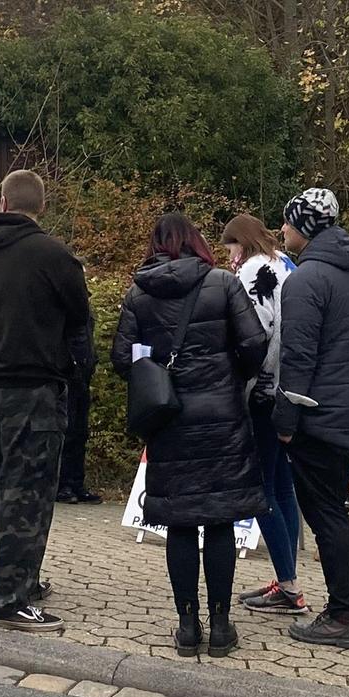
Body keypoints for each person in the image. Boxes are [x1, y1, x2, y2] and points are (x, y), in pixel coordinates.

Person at [113, 213, 268, 656]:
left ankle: (186, 626)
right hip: (223, 417)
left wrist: (156, 373)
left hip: (170, 420)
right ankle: (221, 626)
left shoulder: (139, 293)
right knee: (219, 518)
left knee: (180, 523)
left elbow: (122, 358)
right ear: (197, 241)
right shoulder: (222, 283)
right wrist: (229, 373)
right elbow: (255, 342)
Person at [0, 170, 91, 632]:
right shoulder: (53, 255)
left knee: (0, 487)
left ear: (1, 200)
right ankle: (9, 598)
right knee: (31, 492)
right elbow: (80, 316)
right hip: (33, 386)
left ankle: (20, 576)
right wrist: (77, 373)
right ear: (40, 206)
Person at [274, 187, 349, 649]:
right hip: (347, 411)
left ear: (305, 226)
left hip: (316, 414)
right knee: (336, 512)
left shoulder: (306, 280)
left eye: (288, 222)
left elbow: (297, 357)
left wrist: (285, 419)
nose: (282, 230)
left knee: (324, 517)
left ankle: (341, 615)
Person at [221, 213, 305, 615]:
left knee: (264, 491)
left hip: (262, 393)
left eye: (230, 248)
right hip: (287, 390)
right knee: (283, 486)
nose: (230, 259)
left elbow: (255, 333)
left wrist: (239, 384)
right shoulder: (284, 264)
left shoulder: (254, 271)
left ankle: (288, 586)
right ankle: (288, 581)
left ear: (242, 242)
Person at [56, 311, 100, 506]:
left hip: (82, 372)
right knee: (69, 429)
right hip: (68, 373)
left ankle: (76, 482)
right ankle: (63, 484)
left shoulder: (83, 305)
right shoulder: (65, 302)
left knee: (81, 431)